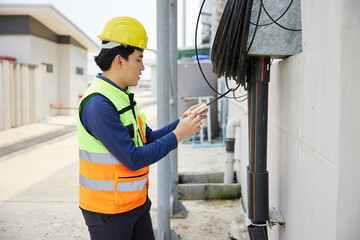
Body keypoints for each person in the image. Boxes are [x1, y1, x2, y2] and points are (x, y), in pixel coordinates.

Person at [77, 16, 207, 240]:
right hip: (108, 213)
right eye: (138, 59)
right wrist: (179, 135)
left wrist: (181, 122)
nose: (143, 67)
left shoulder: (121, 97)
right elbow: (134, 158)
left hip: (135, 203)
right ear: (119, 60)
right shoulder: (98, 105)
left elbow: (147, 138)